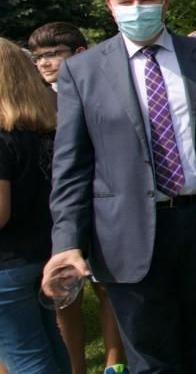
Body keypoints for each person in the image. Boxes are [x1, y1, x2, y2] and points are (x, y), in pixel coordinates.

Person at [43, 0, 196, 373]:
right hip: (124, 232)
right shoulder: (83, 70)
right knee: (150, 353)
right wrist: (67, 240)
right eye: (126, 1)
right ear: (110, 6)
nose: (137, 8)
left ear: (165, 1)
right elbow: (71, 165)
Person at [26, 23, 128, 374]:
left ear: (80, 54)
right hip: (55, 214)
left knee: (107, 289)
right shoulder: (32, 103)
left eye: (53, 54)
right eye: (38, 57)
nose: (43, 63)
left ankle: (115, 363)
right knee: (64, 297)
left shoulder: (103, 93)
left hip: (102, 208)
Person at [0, 37, 71, 373]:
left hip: (8, 262)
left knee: (26, 357)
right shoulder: (42, 131)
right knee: (48, 345)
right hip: (40, 252)